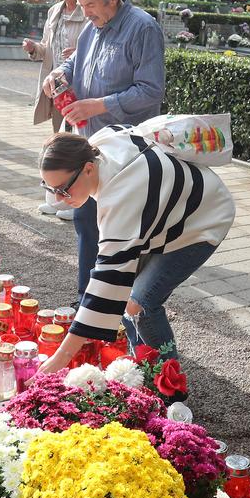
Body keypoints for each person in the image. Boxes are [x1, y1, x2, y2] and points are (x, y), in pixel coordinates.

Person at [37, 128, 235, 372]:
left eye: (63, 190)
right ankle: (140, 366)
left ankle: (169, 387)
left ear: (88, 168)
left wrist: (59, 359)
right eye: (51, 189)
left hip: (204, 220)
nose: (58, 200)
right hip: (167, 211)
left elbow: (107, 280)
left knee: (140, 304)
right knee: (126, 295)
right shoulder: (98, 143)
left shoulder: (120, 195)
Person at [42, 0, 166, 303]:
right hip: (91, 146)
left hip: (128, 153)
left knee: (123, 235)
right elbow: (76, 63)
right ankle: (88, 300)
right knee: (85, 222)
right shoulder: (91, 28)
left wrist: (98, 105)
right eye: (81, 6)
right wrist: (58, 74)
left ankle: (124, 308)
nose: (84, 12)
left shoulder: (143, 28)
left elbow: (151, 90)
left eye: (90, 5)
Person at [25, 0, 89, 217]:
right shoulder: (54, 12)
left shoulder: (87, 13)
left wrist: (79, 54)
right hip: (56, 85)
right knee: (59, 143)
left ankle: (78, 202)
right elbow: (46, 49)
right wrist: (33, 49)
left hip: (79, 87)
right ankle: (59, 199)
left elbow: (97, 47)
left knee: (77, 144)